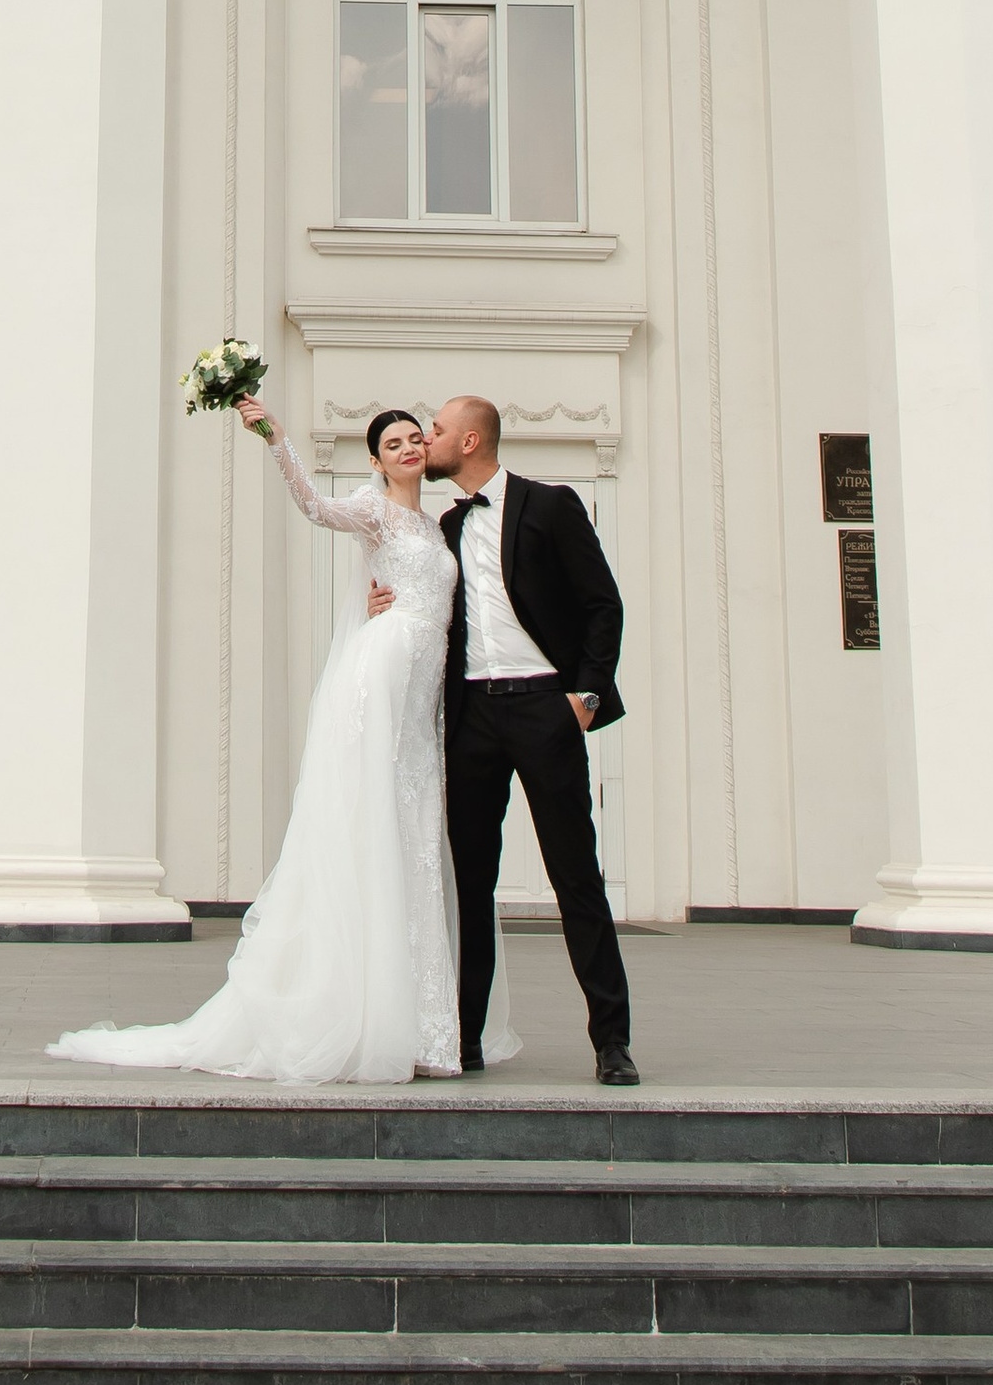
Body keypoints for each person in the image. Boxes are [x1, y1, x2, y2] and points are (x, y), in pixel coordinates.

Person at [47, 402, 515, 1085]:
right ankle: (364, 1018)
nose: (410, 448)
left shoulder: (437, 524)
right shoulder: (373, 509)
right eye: (394, 442)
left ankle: (422, 1026)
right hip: (381, 680)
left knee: (415, 843)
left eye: (417, 438)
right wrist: (277, 439)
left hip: (423, 702)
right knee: (375, 834)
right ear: (376, 461)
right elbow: (313, 508)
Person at [420, 392, 637, 1087]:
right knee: (471, 882)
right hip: (473, 717)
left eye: (439, 430)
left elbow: (603, 603)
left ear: (473, 441)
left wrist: (585, 695)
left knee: (576, 876)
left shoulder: (551, 506)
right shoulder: (442, 528)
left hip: (545, 706)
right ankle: (465, 1038)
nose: (429, 440)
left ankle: (611, 1041)